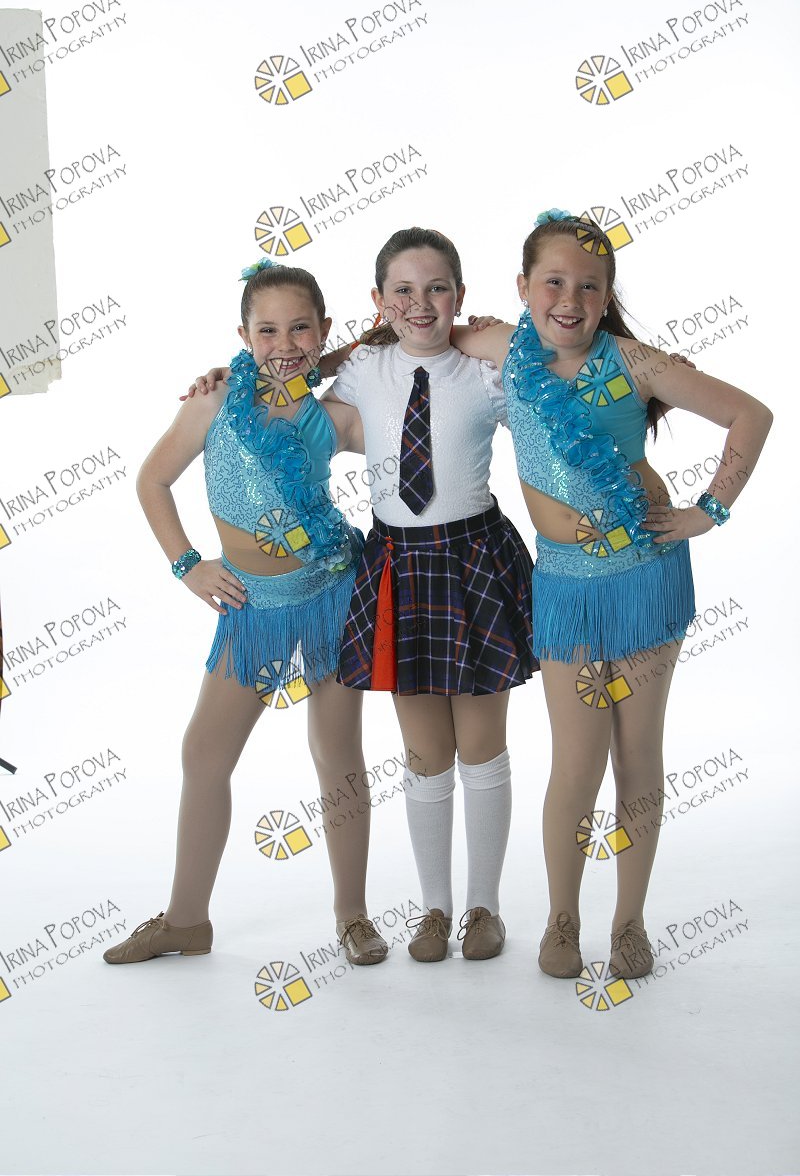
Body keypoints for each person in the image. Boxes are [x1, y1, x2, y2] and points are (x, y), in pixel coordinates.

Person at [451, 209, 773, 979]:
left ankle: (629, 922)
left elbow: (749, 415)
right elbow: (419, 327)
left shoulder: (633, 361)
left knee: (636, 754)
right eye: (553, 282)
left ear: (607, 295)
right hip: (565, 585)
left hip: (644, 581)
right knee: (576, 764)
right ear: (523, 286)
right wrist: (293, 364)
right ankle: (562, 918)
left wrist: (707, 511)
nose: (570, 299)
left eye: (589, 286)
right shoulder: (504, 348)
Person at [104, 258, 389, 968]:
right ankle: (185, 920)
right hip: (252, 607)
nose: (284, 344)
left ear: (323, 330)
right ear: (242, 335)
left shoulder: (333, 416)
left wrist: (359, 352)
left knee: (337, 755)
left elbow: (399, 375)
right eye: (267, 330)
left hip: (331, 592)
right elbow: (152, 480)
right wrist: (188, 565)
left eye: (301, 329)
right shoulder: (214, 403)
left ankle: (353, 916)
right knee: (204, 753)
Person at [322, 228, 538, 963]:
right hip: (398, 568)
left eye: (437, 288)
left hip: (473, 559)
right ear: (379, 302)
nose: (421, 304)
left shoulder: (484, 372)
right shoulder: (363, 370)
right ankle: (434, 910)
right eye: (404, 291)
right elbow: (298, 408)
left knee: (481, 746)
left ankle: (484, 907)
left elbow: (552, 390)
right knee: (424, 754)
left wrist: (496, 337)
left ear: (461, 296)